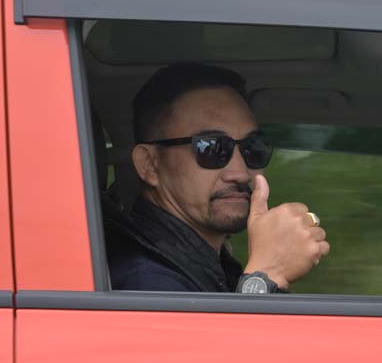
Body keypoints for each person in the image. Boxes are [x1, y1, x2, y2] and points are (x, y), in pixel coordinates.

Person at [106, 62, 329, 294]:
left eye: (253, 147)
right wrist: (268, 275)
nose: (240, 173)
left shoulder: (207, 265)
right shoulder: (146, 283)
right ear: (150, 164)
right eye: (211, 148)